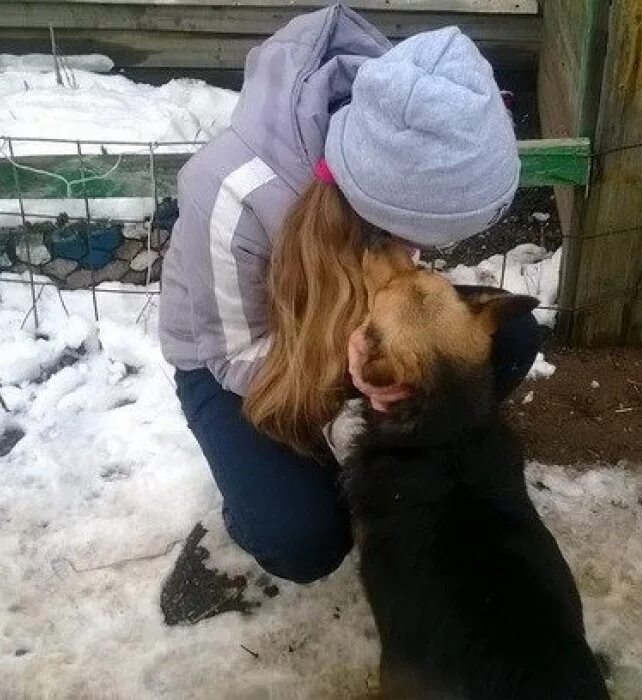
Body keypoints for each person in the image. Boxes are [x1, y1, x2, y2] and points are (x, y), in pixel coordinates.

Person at [159, 5, 540, 585]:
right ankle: (260, 502)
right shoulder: (233, 195)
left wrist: (387, 359)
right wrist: (350, 364)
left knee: (504, 338)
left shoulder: (402, 138)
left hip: (349, 340)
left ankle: (408, 456)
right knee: (302, 539)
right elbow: (232, 355)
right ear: (380, 204)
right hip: (236, 364)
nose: (422, 250)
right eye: (425, 233)